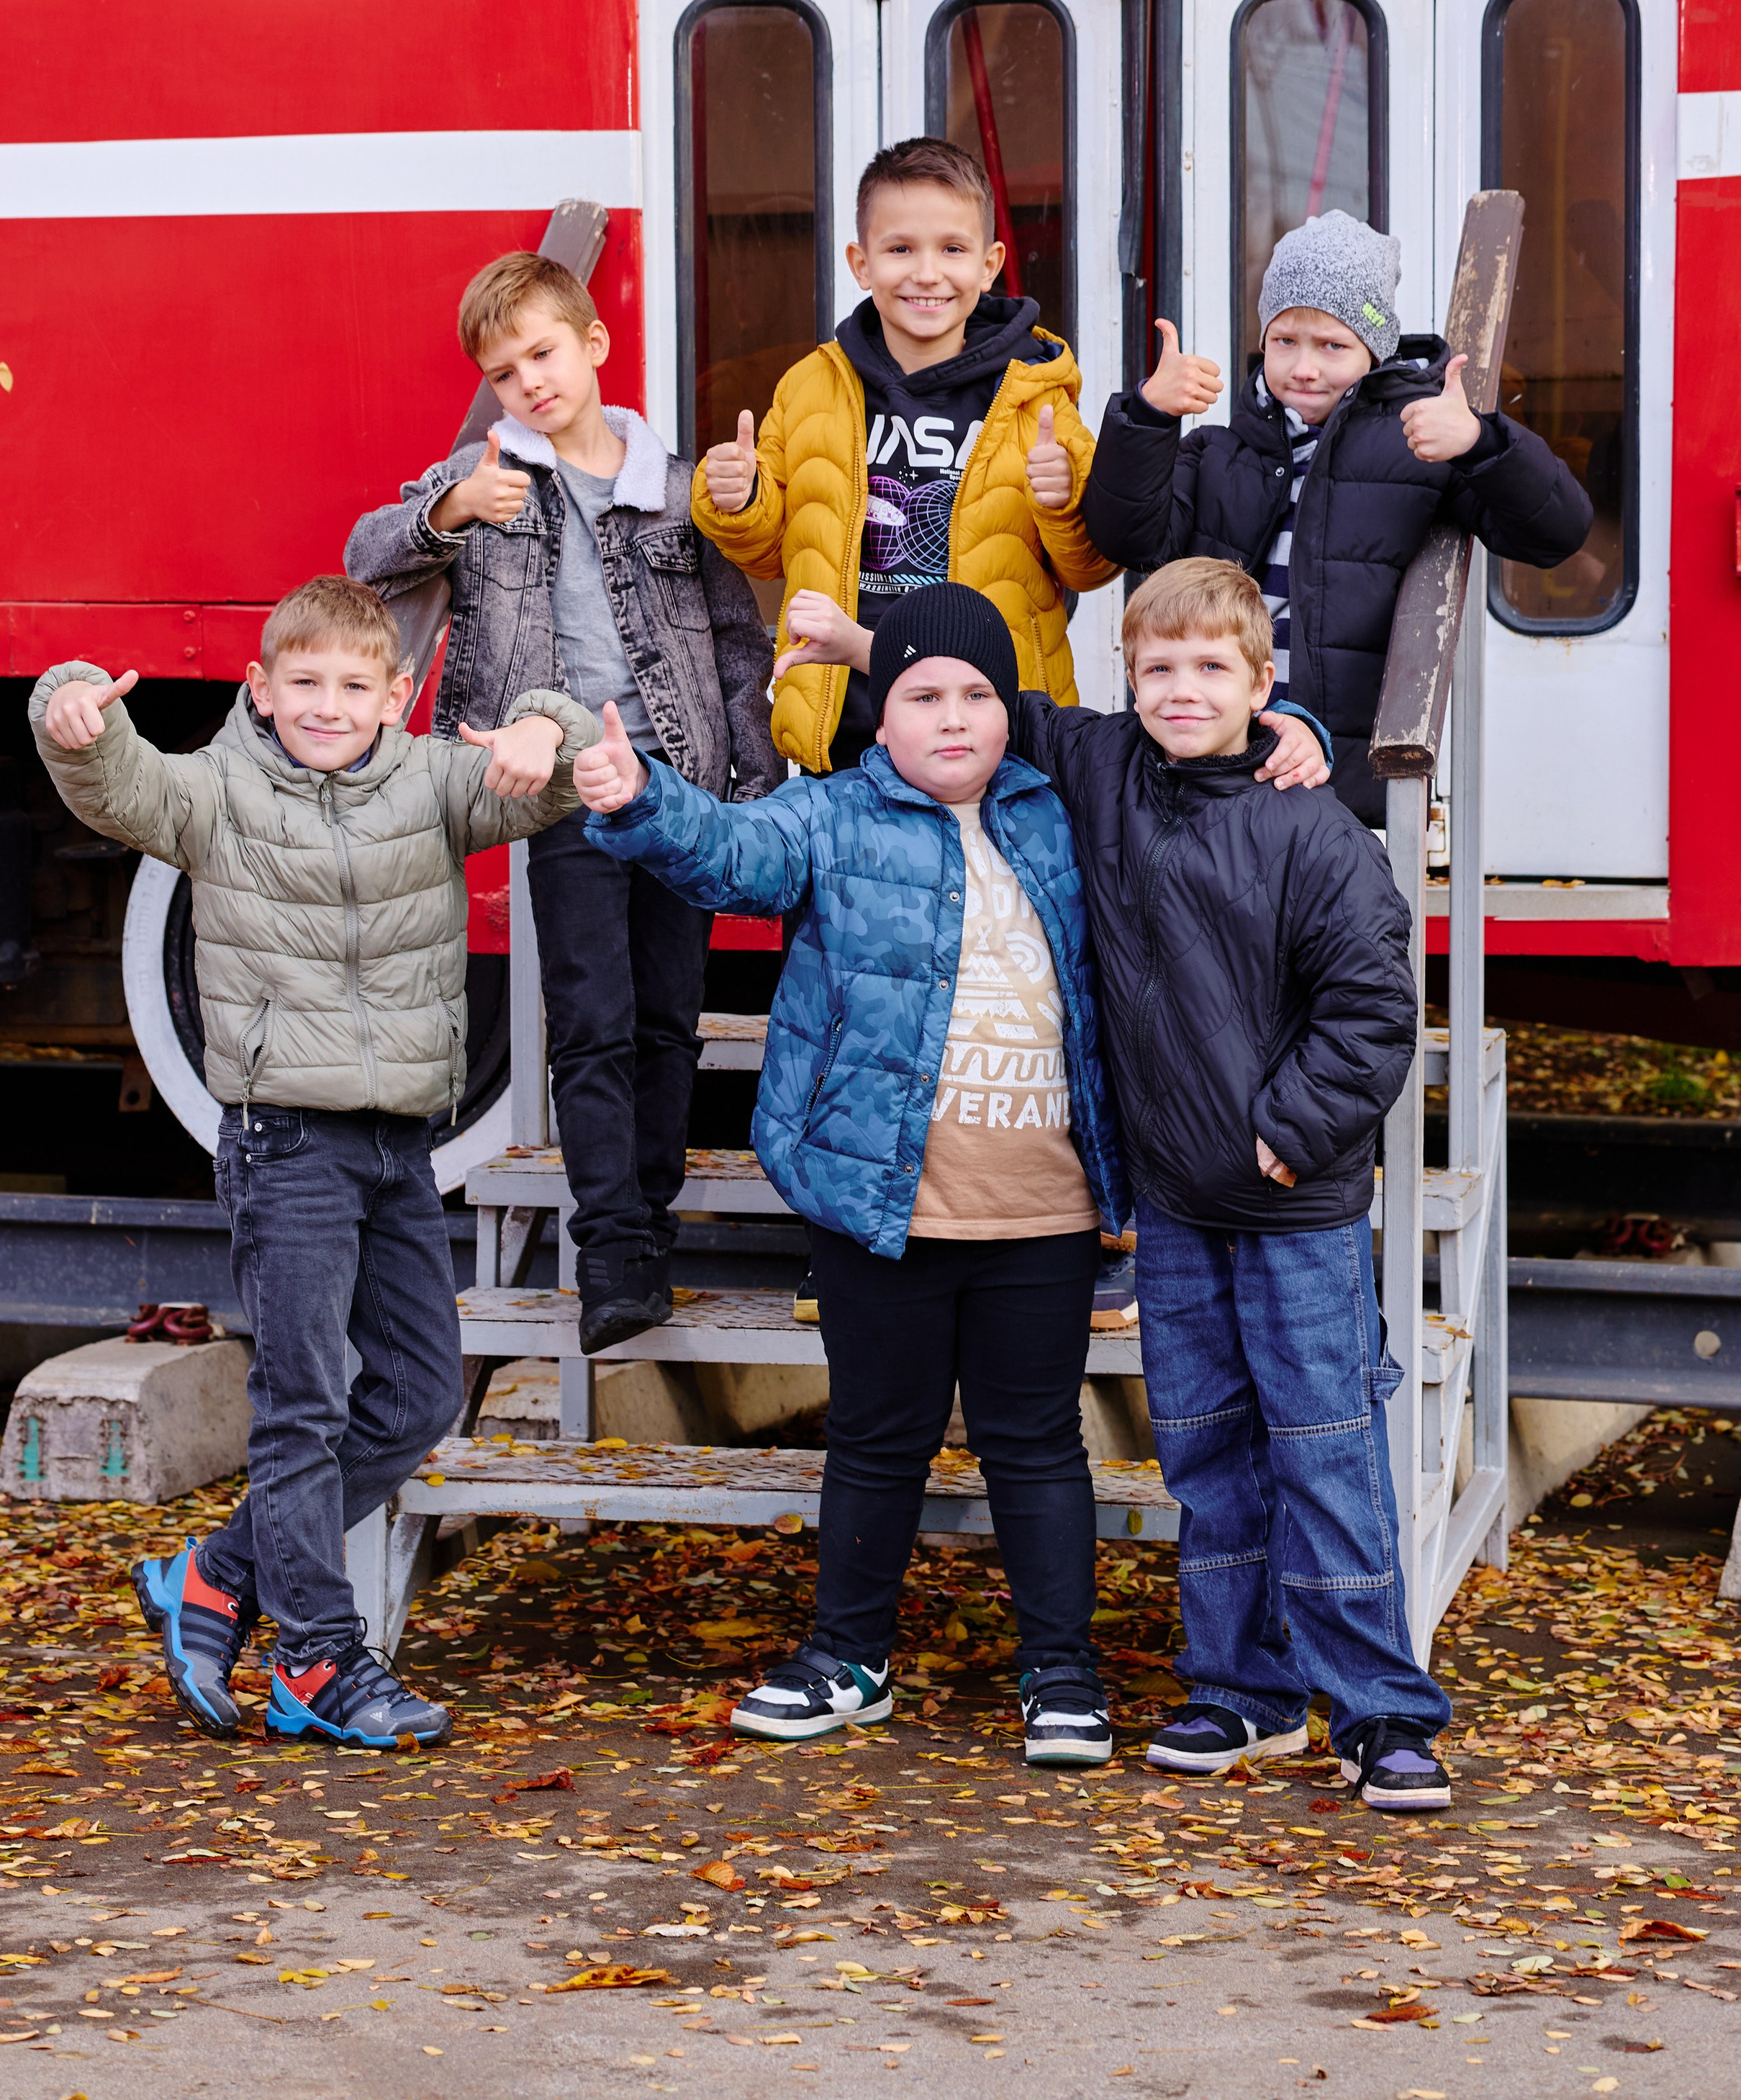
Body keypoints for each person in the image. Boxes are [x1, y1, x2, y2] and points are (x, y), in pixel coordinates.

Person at [571, 584, 1331, 1765]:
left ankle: (1060, 1671)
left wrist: (1304, 730)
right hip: (885, 1198)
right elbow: (731, 852)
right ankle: (849, 1657)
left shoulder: (1063, 804)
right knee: (879, 1436)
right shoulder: (832, 817)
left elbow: (1191, 740)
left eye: (978, 695)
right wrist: (639, 801)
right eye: (923, 696)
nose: (954, 718)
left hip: (1045, 1205)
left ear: (1009, 714)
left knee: (1036, 1441)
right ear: (882, 718)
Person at [30, 574, 599, 1749]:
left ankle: (217, 1575)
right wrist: (71, 706)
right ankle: (318, 1661)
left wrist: (550, 720)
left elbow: (552, 787)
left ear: (399, 695)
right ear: (262, 690)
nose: (329, 705)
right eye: (305, 685)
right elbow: (116, 780)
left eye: (354, 685)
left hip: (397, 1139)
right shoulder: (216, 793)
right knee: (305, 1401)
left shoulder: (435, 784)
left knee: (421, 1391)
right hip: (286, 1139)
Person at [1002, 556, 1453, 1811]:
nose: (1183, 689)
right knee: (1206, 1454)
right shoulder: (1104, 775)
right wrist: (854, 642)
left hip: (1291, 1201)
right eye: (1159, 668)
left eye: (1213, 669)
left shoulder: (1307, 824)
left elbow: (1370, 1008)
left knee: (1324, 1448)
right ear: (1127, 677)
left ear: (1264, 686)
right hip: (1178, 1207)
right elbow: (1009, 706)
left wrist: (1294, 1130)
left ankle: (1381, 1713)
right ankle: (1242, 1692)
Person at [346, 253, 777, 1355]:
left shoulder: (674, 488)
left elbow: (736, 636)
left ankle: (651, 1225)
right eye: (504, 370)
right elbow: (366, 558)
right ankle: (612, 1255)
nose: (528, 382)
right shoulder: (486, 481)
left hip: (673, 786)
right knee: (591, 1023)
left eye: (543, 353)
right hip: (556, 798)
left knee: (667, 1021)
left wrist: (755, 775)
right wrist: (448, 508)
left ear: (592, 345)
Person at [1078, 207, 1594, 822]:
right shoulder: (1217, 452)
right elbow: (1124, 537)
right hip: (1214, 764)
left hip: (1342, 780)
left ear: (1374, 350)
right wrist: (1147, 417)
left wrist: (1481, 443)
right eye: (1284, 341)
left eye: (1332, 345)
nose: (1304, 367)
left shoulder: (1421, 447)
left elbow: (1557, 531)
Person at [692, 135, 1121, 779]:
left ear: (990, 263)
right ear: (861, 265)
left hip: (989, 733)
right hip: (846, 726)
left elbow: (1089, 568)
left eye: (952, 249)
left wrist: (1062, 503)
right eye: (900, 250)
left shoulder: (1037, 395)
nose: (926, 273)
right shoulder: (812, 386)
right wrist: (737, 500)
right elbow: (771, 551)